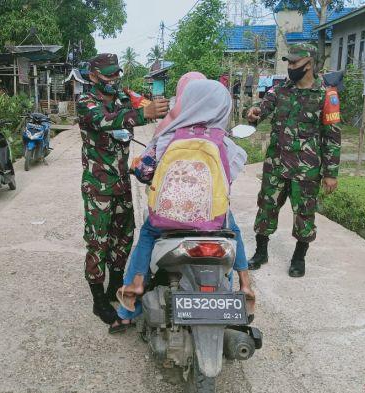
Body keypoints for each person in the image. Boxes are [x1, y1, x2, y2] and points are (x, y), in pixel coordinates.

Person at [110, 77, 256, 333]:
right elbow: (228, 179)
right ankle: (244, 285)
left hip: (167, 219)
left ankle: (133, 294)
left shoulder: (167, 138)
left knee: (147, 234)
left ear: (186, 102)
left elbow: (144, 172)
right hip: (212, 220)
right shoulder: (226, 144)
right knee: (233, 232)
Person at [76, 53, 169, 328]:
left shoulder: (122, 97)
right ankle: (98, 300)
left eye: (117, 74)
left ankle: (115, 285)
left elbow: (146, 108)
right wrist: (141, 114)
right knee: (98, 241)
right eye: (108, 75)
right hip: (98, 186)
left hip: (121, 183)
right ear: (93, 76)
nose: (114, 79)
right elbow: (105, 120)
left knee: (124, 237)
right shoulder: (86, 103)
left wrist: (158, 108)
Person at [246, 43, 341, 278]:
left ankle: (299, 258)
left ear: (309, 64)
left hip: (306, 169)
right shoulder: (280, 90)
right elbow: (261, 109)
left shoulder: (326, 95)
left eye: (294, 62)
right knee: (266, 207)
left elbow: (332, 136)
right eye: (288, 62)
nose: (290, 66)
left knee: (304, 213)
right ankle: (261, 252)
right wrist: (254, 113)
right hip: (276, 165)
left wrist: (331, 173)